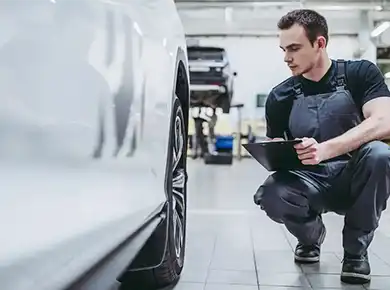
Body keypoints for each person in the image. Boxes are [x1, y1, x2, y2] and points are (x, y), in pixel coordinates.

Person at [253, 9, 390, 285]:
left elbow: (385, 120)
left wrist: (326, 149)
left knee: (380, 154)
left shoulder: (359, 74)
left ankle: (355, 253)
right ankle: (311, 238)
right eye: (283, 49)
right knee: (271, 193)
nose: (286, 58)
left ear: (320, 44)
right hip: (310, 181)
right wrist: (274, 152)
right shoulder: (280, 96)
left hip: (355, 176)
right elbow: (278, 149)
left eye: (294, 48)